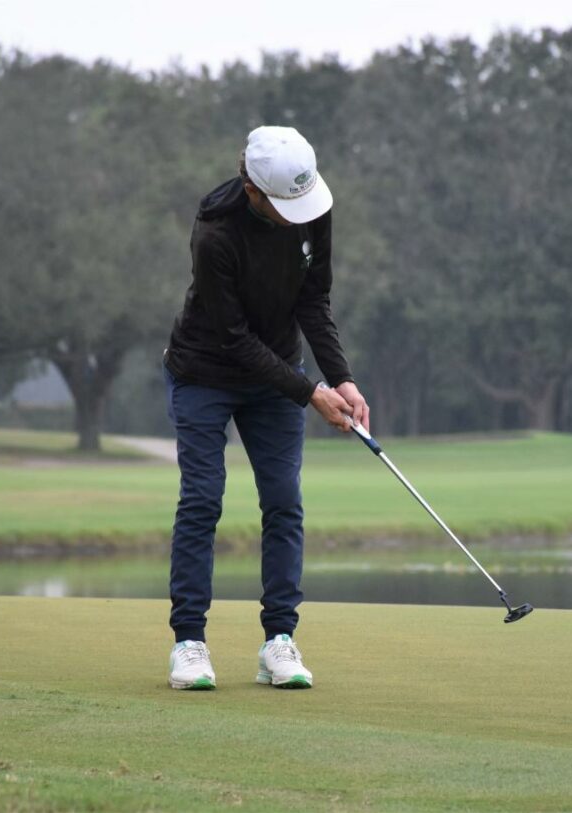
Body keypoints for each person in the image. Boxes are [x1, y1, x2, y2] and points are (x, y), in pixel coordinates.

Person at [162, 125, 368, 690]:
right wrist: (310, 393)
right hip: (204, 372)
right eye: (285, 205)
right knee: (202, 501)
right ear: (253, 190)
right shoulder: (215, 235)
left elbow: (313, 301)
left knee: (283, 501)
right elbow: (232, 339)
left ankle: (278, 640)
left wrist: (341, 378)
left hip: (276, 372)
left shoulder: (312, 209)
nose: (298, 215)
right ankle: (189, 643)